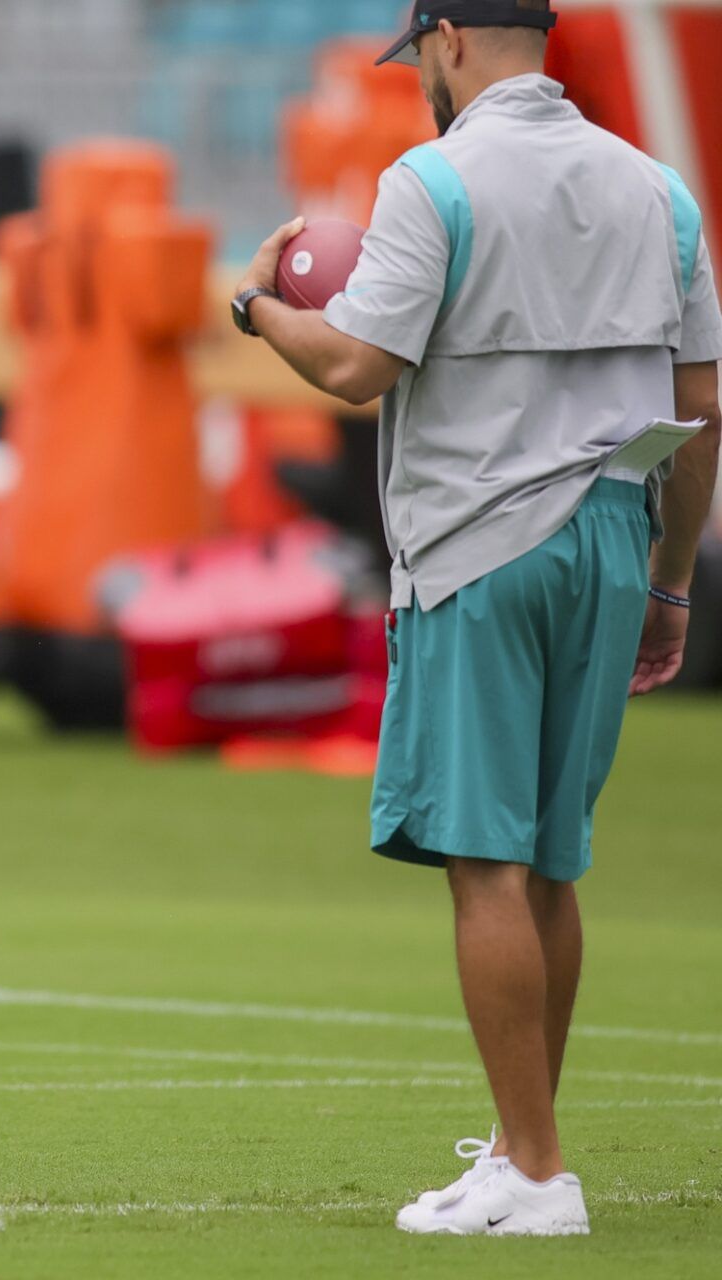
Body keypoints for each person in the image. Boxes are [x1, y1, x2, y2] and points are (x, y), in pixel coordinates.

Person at [229, 0, 721, 1237]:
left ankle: (540, 1170)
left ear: (447, 38)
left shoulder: (431, 179)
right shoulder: (658, 188)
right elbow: (703, 403)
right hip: (615, 531)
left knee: (484, 857)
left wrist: (253, 308)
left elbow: (352, 368)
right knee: (552, 857)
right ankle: (519, 1144)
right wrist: (672, 580)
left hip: (483, 543)